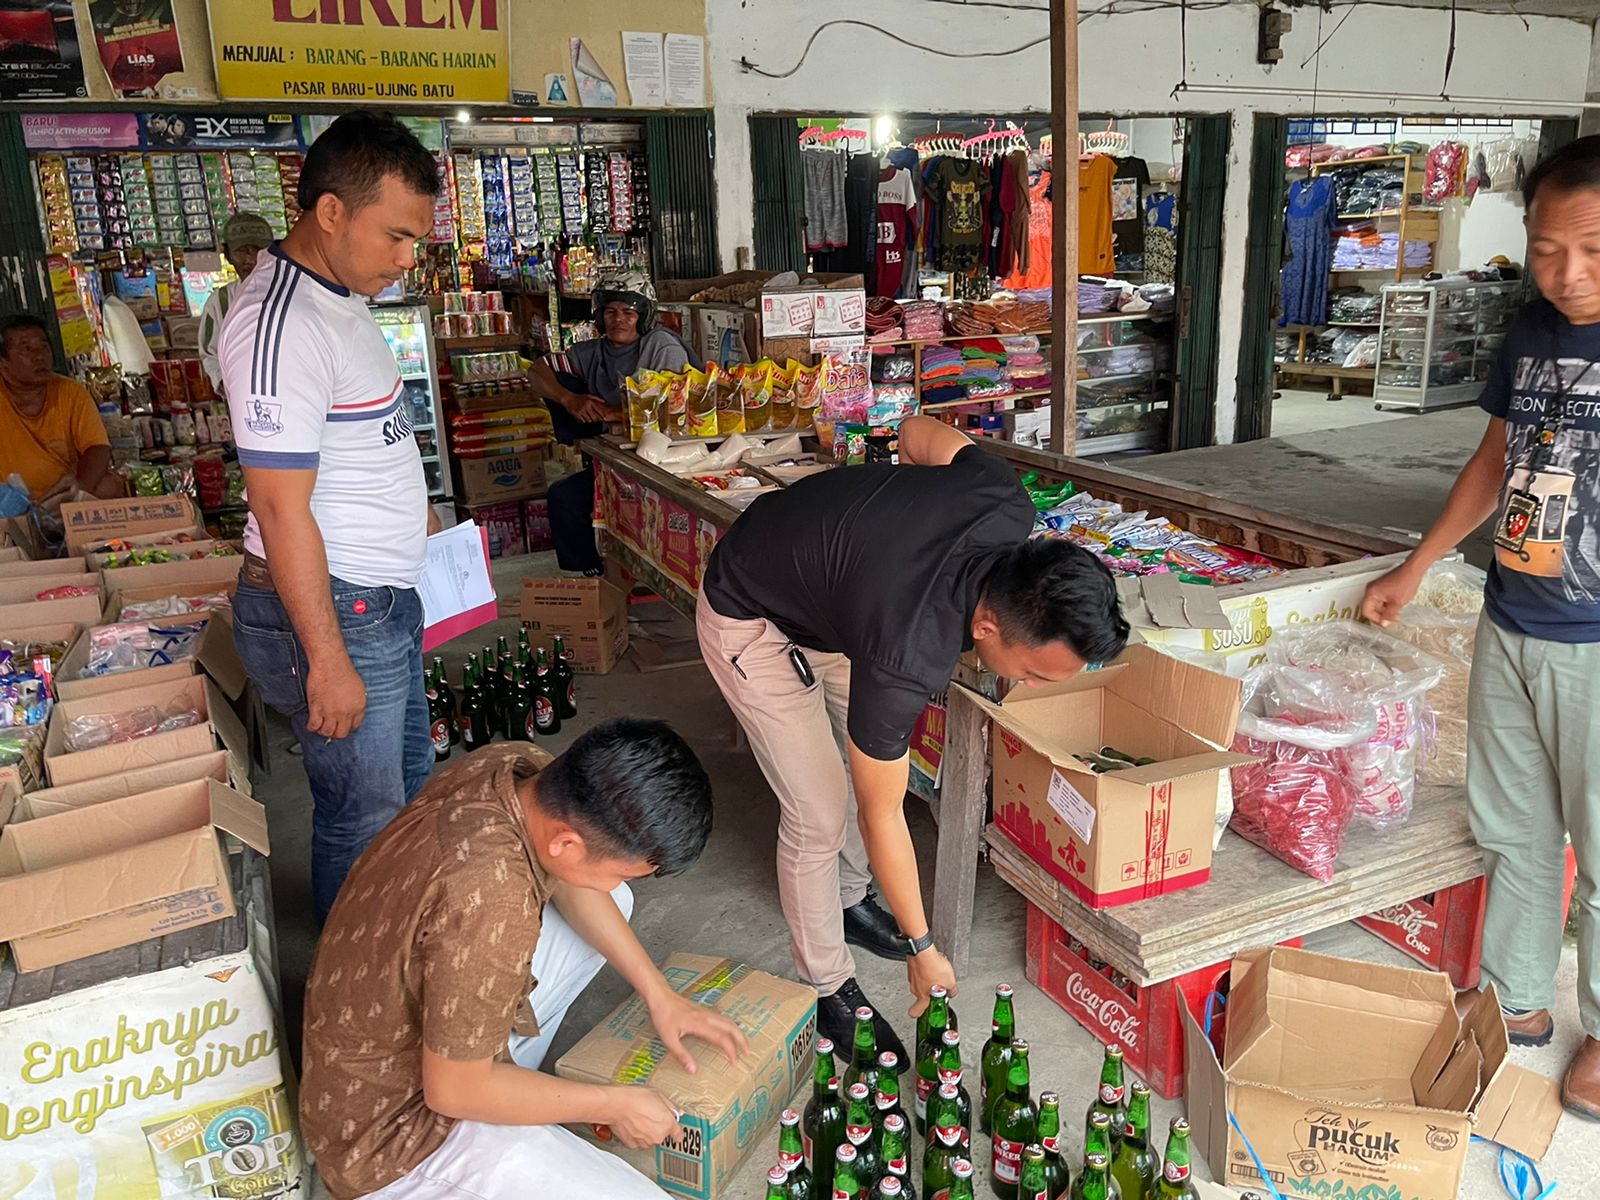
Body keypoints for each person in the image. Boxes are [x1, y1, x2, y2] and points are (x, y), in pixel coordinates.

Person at [696, 416, 1128, 1058]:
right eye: (1035, 674)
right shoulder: (905, 654)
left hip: (835, 603)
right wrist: (924, 948)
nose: (1032, 687)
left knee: (850, 773)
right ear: (986, 627)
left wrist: (891, 526)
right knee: (819, 812)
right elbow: (883, 813)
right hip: (750, 609)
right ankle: (828, 986)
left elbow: (914, 430)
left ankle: (847, 900)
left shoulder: (1001, 498)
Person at [1362, 134, 1600, 1119]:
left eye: (1591, 249)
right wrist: (1417, 567)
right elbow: (1494, 461)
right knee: (1514, 827)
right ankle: (1517, 998)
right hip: (1512, 616)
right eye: (1546, 249)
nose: (1566, 272)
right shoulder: (1531, 334)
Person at [300, 722, 748, 1200]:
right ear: (565, 842)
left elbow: (568, 875)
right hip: (393, 1134)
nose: (622, 881)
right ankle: (494, 1112)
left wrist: (661, 996)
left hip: (393, 1019)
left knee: (612, 903)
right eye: (624, 871)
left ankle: (512, 1085)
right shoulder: (490, 903)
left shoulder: (516, 768)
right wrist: (613, 1104)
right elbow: (454, 1093)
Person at [218, 112, 442, 924]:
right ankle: (354, 980)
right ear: (332, 212)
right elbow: (279, 509)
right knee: (362, 812)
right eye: (397, 236)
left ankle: (392, 946)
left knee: (405, 786)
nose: (408, 258)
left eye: (417, 240)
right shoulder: (279, 325)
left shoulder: (339, 295)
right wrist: (327, 659)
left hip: (376, 599)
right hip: (337, 610)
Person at [528, 270, 700, 574]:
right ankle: (591, 576)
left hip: (666, 457)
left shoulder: (661, 345)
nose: (618, 319)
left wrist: (613, 412)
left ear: (643, 316)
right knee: (563, 497)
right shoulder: (594, 351)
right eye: (610, 311)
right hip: (619, 453)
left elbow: (673, 409)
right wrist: (569, 399)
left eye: (628, 313)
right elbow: (537, 370)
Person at [0, 313, 122, 508]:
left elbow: (98, 447)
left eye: (44, 347)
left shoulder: (70, 391)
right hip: (10, 502)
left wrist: (78, 489)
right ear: (3, 362)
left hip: (61, 494)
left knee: (108, 486)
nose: (39, 356)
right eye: (26, 349)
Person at [199, 211, 274, 394]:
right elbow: (210, 354)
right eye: (240, 251)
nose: (250, 259)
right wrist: (226, 385)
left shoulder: (294, 293)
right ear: (227, 255)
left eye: (258, 250)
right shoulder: (220, 301)